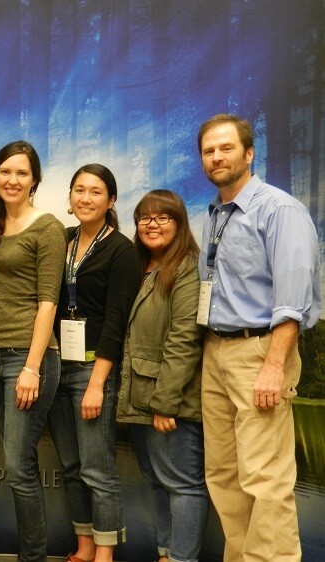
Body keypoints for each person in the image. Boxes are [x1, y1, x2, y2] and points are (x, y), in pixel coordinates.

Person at [196, 113, 320, 561]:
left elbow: (293, 299)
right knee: (225, 476)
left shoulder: (279, 209)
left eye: (226, 148)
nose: (216, 157)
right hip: (217, 351)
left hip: (261, 352)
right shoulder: (214, 214)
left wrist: (273, 365)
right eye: (209, 150)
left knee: (266, 480)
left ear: (249, 153)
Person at [0, 141, 67, 562]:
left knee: (18, 466)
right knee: (18, 464)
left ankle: (33, 557)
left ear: (34, 181)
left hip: (26, 360)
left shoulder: (46, 227)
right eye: (5, 172)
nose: (12, 180)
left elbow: (48, 300)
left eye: (21, 173)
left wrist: (32, 367)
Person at [47, 164, 139, 562]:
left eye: (96, 191)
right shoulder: (62, 241)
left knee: (98, 469)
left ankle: (105, 554)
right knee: (70, 465)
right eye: (79, 190)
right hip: (57, 366)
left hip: (92, 368)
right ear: (69, 197)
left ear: (111, 201)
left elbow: (117, 322)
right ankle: (84, 546)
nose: (85, 198)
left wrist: (98, 383)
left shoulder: (122, 250)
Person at [116, 190, 208, 562]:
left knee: (184, 486)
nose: (152, 224)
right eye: (144, 218)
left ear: (180, 223)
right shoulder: (140, 266)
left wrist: (165, 403)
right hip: (139, 397)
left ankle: (182, 558)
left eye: (162, 217)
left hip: (169, 403)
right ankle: (166, 554)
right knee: (157, 482)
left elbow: (185, 338)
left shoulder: (188, 267)